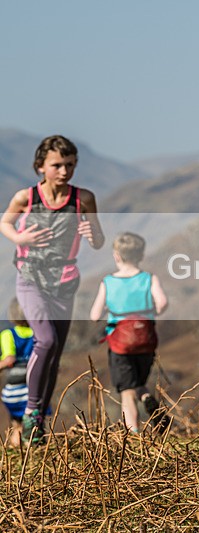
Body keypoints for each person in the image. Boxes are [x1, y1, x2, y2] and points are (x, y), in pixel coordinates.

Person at [0, 135, 105, 445]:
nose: (64, 171)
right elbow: (5, 223)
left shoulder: (83, 198)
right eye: (57, 165)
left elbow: (99, 240)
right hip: (31, 278)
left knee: (55, 352)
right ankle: (32, 411)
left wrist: (91, 232)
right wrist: (19, 239)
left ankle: (40, 421)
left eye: (70, 165)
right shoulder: (26, 198)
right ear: (40, 166)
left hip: (65, 281)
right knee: (44, 341)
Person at [90, 232, 169, 434]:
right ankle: (147, 398)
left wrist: (110, 310)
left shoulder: (108, 282)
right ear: (141, 255)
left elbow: (94, 315)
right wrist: (149, 312)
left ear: (116, 256)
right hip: (145, 340)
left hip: (120, 345)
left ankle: (133, 435)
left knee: (126, 392)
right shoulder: (149, 279)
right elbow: (162, 303)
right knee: (139, 382)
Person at [0, 298, 36, 447]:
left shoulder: (8, 334)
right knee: (34, 425)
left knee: (17, 426)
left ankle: (17, 453)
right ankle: (33, 451)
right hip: (32, 389)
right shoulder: (37, 333)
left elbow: (9, 359)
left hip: (14, 390)